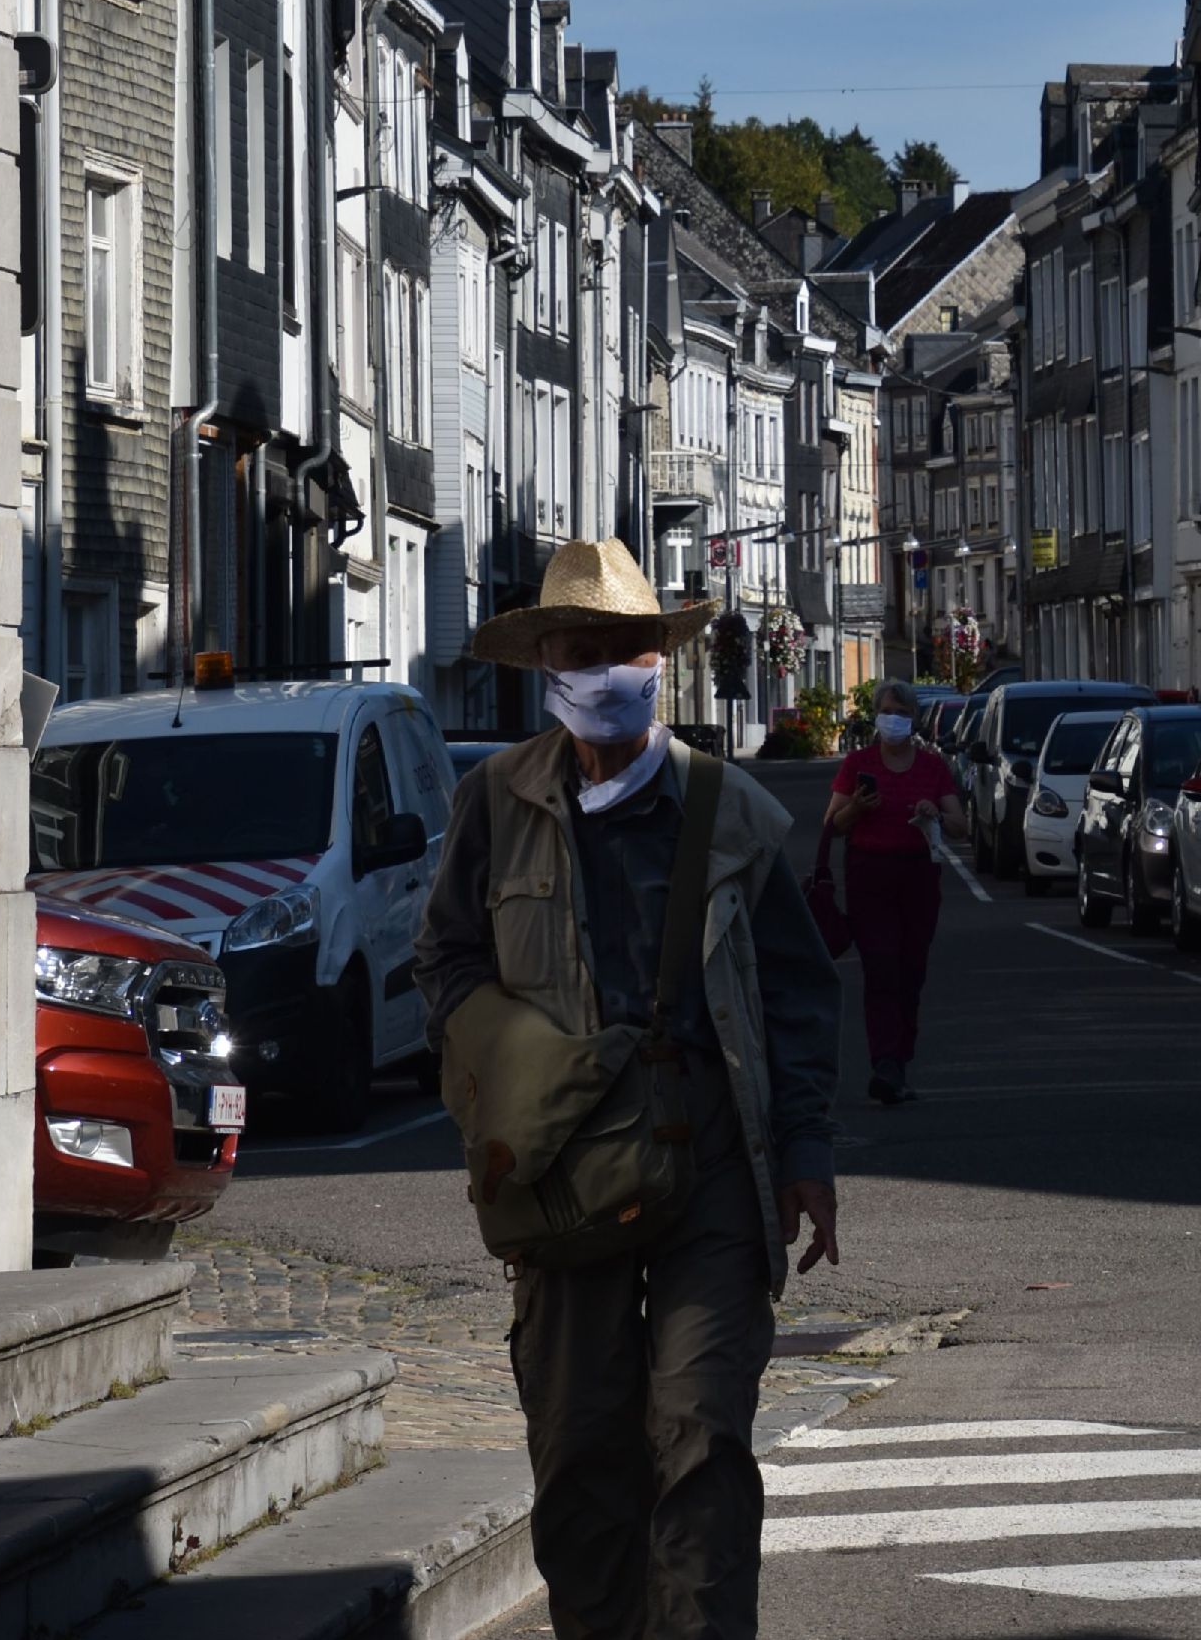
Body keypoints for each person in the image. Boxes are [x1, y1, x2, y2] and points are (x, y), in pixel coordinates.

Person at [412, 538, 841, 1640]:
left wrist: (807, 1155)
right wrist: (504, 1076)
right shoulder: (493, 800)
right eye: (579, 650)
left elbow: (798, 994)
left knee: (701, 1434)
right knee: (578, 1449)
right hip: (559, 1172)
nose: (602, 670)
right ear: (544, 665)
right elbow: (445, 958)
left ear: (660, 661)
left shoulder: (731, 810)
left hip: (710, 1158)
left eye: (625, 649)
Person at [822, 677, 966, 1106]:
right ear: (875, 716)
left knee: (910, 971)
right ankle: (885, 1063)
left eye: (902, 714)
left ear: (914, 719)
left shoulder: (932, 767)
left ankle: (899, 1059)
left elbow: (960, 826)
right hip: (869, 874)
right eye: (887, 712)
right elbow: (832, 825)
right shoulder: (858, 763)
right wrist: (856, 807)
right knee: (881, 968)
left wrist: (935, 813)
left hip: (918, 876)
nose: (894, 720)